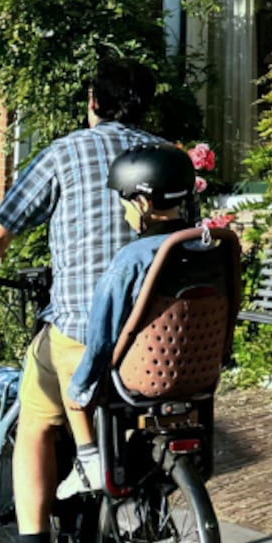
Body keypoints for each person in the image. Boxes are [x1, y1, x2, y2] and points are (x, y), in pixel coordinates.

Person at [0, 51, 170, 543]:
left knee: (35, 421)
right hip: (154, 340)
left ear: (94, 101)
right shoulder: (166, 158)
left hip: (79, 333)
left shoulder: (66, 153)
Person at [56, 144, 208, 497]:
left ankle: (89, 460)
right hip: (198, 372)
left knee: (67, 358)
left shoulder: (132, 258)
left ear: (142, 202)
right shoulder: (206, 247)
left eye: (124, 201)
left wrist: (82, 388)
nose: (123, 209)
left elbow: (102, 333)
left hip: (143, 374)